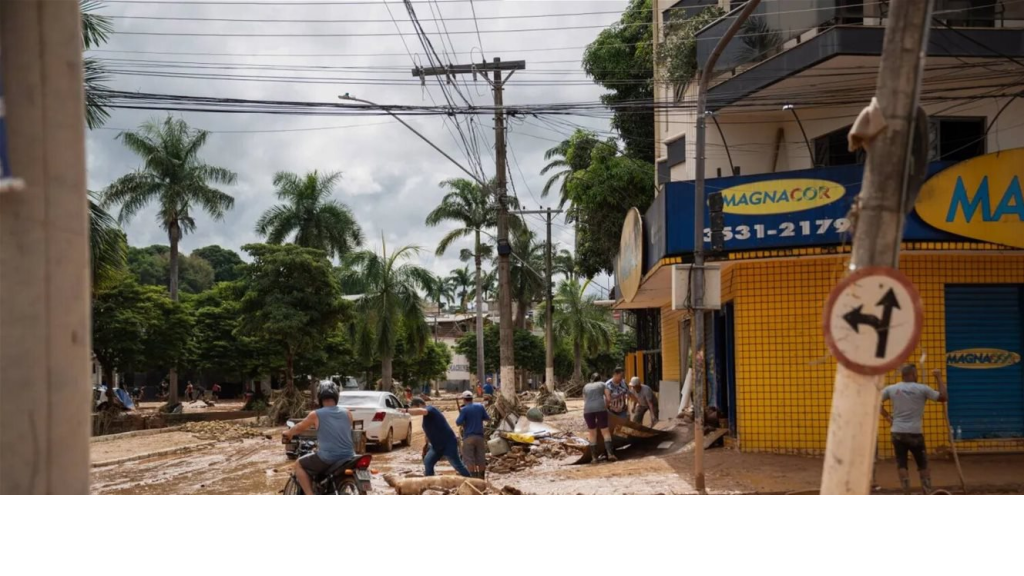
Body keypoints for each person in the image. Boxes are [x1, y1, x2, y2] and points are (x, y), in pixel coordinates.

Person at [880, 365, 948, 495]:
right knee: (922, 464)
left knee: (902, 463)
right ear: (913, 374)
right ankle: (927, 491)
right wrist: (939, 377)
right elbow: (943, 397)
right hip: (915, 433)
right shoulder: (922, 389)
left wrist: (888, 417)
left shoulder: (892, 388)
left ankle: (906, 492)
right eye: (916, 373)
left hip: (897, 432)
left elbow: (874, 401)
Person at [282, 383, 356, 496]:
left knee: (299, 464)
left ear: (320, 398)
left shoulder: (316, 414)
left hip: (328, 457)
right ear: (336, 396)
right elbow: (345, 429)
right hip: (349, 456)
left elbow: (299, 427)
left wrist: (288, 433)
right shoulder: (347, 413)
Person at [404, 397, 471, 478]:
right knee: (428, 461)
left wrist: (406, 410)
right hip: (437, 446)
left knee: (457, 465)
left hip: (448, 444)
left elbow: (422, 411)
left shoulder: (430, 409)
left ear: (419, 405)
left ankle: (471, 480)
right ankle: (430, 481)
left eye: (413, 407)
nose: (412, 410)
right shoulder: (426, 417)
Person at [455, 391, 491, 480]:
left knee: (469, 459)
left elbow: (458, 422)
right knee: (481, 458)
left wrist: (464, 419)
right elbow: (487, 418)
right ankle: (481, 478)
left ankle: (473, 478)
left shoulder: (464, 410)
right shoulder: (480, 407)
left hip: (469, 437)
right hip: (480, 437)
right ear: (472, 398)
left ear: (464, 399)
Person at [583, 373, 617, 464]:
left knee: (592, 433)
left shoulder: (586, 386)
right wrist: (605, 407)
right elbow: (608, 398)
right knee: (605, 431)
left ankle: (594, 458)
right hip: (600, 409)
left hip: (587, 410)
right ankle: (610, 454)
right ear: (600, 379)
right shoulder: (603, 384)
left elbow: (585, 400)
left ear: (591, 379)